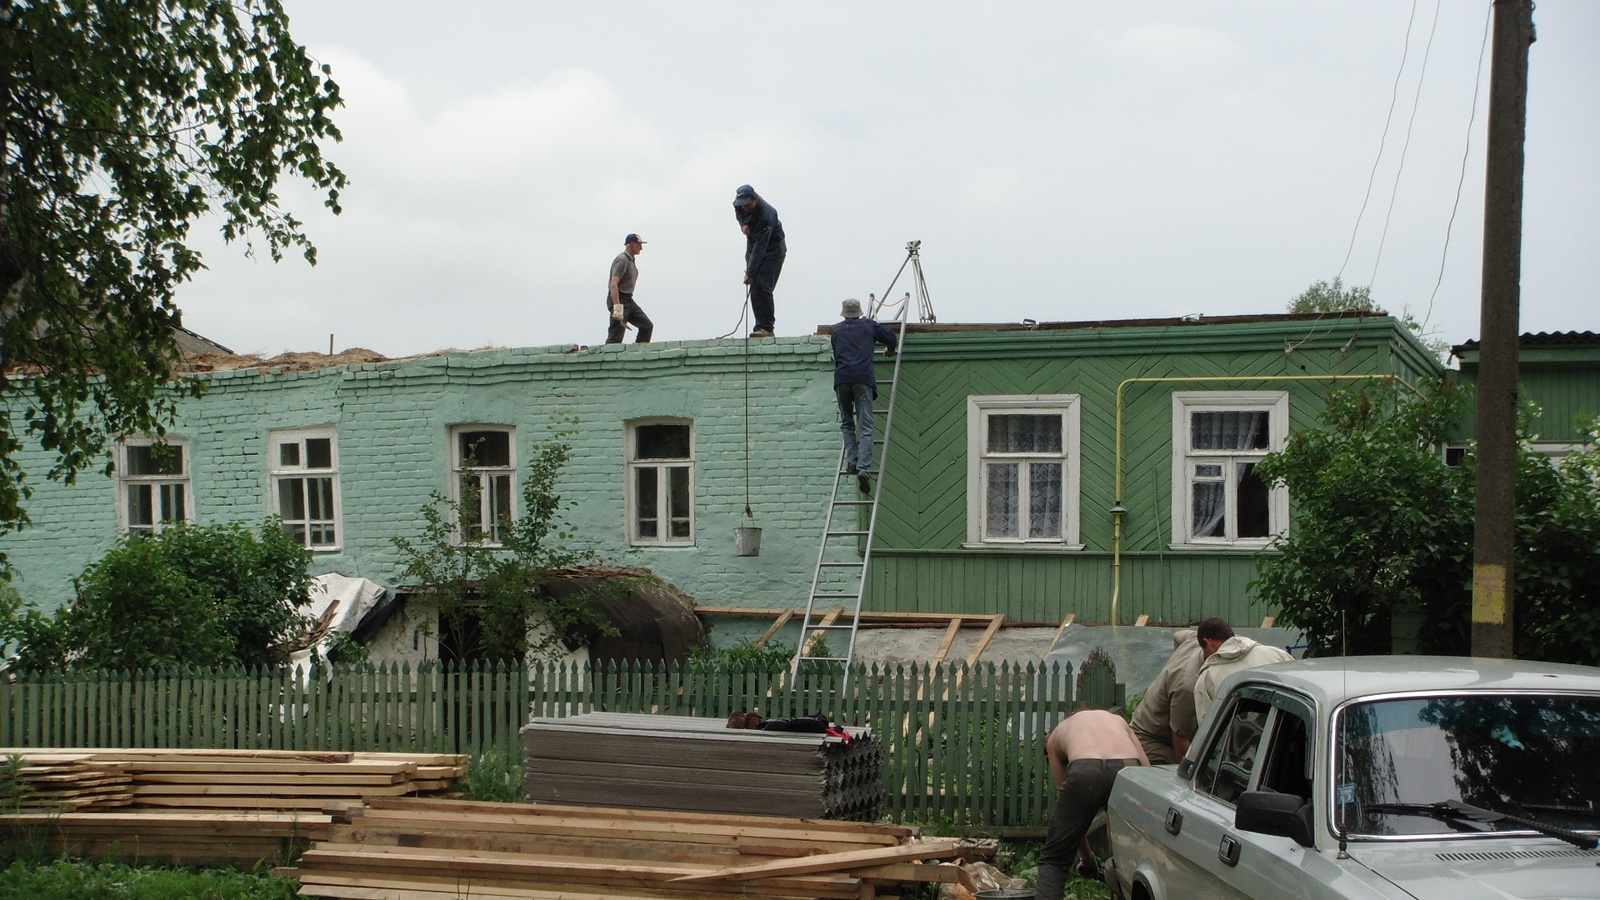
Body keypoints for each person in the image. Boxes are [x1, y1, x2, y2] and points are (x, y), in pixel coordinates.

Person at [1038, 709, 1149, 900]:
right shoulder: (1117, 720)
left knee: (1054, 861)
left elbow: (1071, 814)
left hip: (1084, 770)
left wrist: (1087, 858)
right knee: (1138, 857)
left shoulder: (1054, 738)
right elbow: (1147, 768)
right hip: (1127, 767)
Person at [830, 299, 897, 494]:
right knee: (866, 425)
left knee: (847, 423)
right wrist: (889, 351)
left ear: (844, 313)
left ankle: (852, 461)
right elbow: (891, 338)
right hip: (862, 379)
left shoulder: (836, 330)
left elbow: (836, 352)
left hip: (842, 379)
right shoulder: (869, 325)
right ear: (858, 312)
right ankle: (864, 469)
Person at [1193, 617, 1294, 720]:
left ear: (1208, 643)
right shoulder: (1277, 654)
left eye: (1204, 650)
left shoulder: (1207, 678)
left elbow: (1207, 728)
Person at [1129, 629, 1202, 765]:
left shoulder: (1195, 638)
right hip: (1154, 741)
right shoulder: (1187, 687)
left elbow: (1177, 636)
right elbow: (1181, 740)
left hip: (1160, 731)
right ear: (1210, 644)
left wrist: (1175, 661)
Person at [733, 184, 785, 338]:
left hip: (772, 250)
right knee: (754, 287)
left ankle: (766, 327)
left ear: (754, 199)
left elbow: (760, 249)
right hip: (754, 243)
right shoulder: (740, 205)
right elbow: (738, 212)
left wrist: (750, 272)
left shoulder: (766, 215)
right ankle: (759, 327)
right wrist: (743, 224)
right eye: (741, 205)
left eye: (747, 205)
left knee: (762, 286)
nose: (744, 208)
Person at [605, 233, 652, 344]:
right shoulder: (622, 259)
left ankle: (639, 353)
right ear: (631, 244)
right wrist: (617, 306)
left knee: (647, 326)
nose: (641, 247)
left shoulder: (631, 260)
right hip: (619, 297)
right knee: (616, 336)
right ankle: (608, 358)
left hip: (628, 299)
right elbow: (613, 284)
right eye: (639, 244)